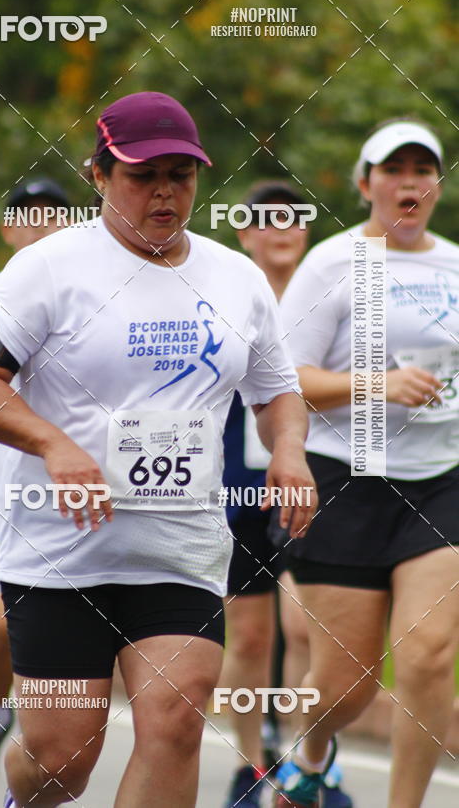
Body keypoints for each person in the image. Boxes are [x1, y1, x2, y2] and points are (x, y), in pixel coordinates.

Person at [0, 91, 318, 808]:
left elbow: (278, 390)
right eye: (142, 174)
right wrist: (54, 445)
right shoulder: (44, 270)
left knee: (177, 722)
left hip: (179, 553)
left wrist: (290, 451)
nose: (164, 192)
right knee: (61, 763)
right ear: (98, 174)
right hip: (61, 556)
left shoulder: (236, 279)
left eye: (181, 176)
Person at [270, 119, 459, 808]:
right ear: (364, 184)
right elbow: (284, 377)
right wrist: (376, 383)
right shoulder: (331, 262)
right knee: (347, 686)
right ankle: (311, 754)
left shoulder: (456, 265)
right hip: (346, 477)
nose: (410, 182)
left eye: (423, 169)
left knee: (430, 654)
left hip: (441, 479)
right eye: (393, 169)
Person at [219, 183, 352, 808]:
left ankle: (315, 763)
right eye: (266, 221)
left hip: (311, 482)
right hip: (238, 487)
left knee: (306, 630)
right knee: (247, 640)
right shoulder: (225, 294)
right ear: (243, 233)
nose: (281, 230)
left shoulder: (327, 290)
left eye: (293, 220)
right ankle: (253, 767)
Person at [0, 177, 71, 797]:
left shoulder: (85, 294)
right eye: (29, 216)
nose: (42, 226)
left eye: (55, 216)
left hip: (62, 499)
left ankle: (32, 748)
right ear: (8, 230)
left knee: (46, 643)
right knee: (5, 627)